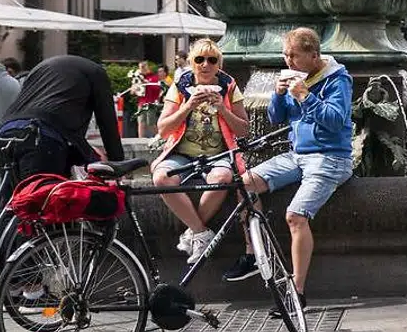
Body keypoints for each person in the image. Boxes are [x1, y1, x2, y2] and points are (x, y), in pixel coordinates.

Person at [223, 28, 353, 314]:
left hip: (330, 157)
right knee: (245, 183)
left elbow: (335, 121)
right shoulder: (294, 76)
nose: (288, 60)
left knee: (295, 216)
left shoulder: (338, 80)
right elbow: (275, 118)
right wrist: (279, 95)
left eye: (294, 55)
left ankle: (297, 293)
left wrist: (306, 96)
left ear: (313, 55)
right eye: (285, 54)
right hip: (297, 155)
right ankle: (254, 255)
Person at [151, 39, 249, 263]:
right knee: (161, 179)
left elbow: (244, 130)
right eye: (199, 59)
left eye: (212, 60)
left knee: (223, 178)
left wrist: (223, 108)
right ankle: (201, 232)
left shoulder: (229, 86)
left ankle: (192, 233)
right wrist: (188, 106)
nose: (205, 64)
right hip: (181, 154)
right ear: (192, 63)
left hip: (218, 155)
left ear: (219, 64)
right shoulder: (180, 86)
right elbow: (163, 128)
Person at [0, 54, 125, 179]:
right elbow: (107, 123)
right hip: (42, 134)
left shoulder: (40, 68)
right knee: (43, 195)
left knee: (11, 195)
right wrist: (118, 164)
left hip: (6, 130)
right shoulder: (97, 73)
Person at [129, 60, 164, 138]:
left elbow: (157, 89)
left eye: (142, 67)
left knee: (150, 123)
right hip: (141, 102)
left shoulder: (153, 77)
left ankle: (160, 137)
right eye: (140, 68)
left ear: (146, 67)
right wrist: (134, 88)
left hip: (151, 103)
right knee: (141, 122)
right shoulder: (138, 78)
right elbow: (132, 92)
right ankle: (140, 139)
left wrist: (147, 83)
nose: (141, 69)